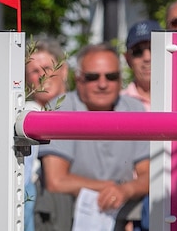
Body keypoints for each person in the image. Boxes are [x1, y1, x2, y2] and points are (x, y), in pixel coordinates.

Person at [35, 44, 148, 231]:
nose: (102, 84)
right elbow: (56, 181)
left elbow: (149, 174)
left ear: (120, 79)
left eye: (111, 76)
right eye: (92, 77)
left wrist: (125, 190)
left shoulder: (134, 109)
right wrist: (110, 188)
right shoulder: (60, 108)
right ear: (78, 79)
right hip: (64, 219)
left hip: (120, 215)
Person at [23, 36, 68, 231]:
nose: (42, 76)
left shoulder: (82, 106)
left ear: (63, 70)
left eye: (48, 68)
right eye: (35, 71)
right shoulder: (23, 114)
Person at [122, 20, 160, 110]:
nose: (147, 58)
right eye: (137, 51)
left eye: (154, 48)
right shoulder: (117, 105)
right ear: (127, 59)